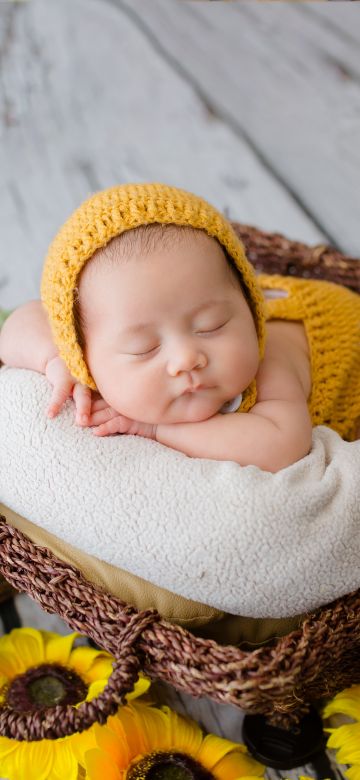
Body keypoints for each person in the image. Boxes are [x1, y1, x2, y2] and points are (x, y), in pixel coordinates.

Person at [1, 183, 359, 472]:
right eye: (144, 347)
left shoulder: (271, 363)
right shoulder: (83, 345)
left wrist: (158, 429)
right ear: (81, 352)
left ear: (250, 309)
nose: (186, 358)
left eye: (211, 326)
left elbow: (282, 444)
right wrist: (53, 360)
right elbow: (20, 322)